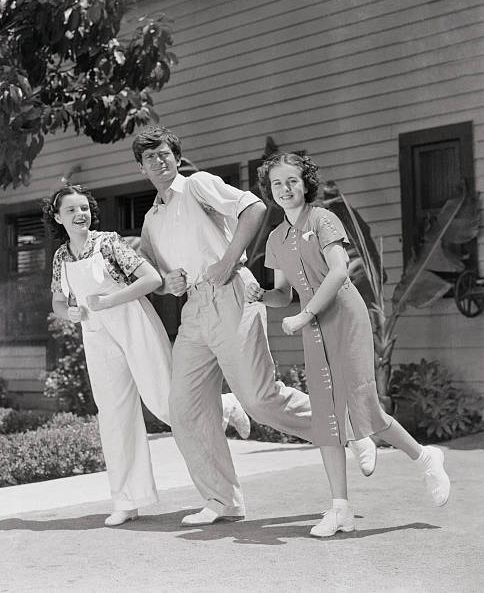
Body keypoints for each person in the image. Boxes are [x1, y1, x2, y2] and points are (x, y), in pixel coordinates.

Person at [132, 126, 376, 527]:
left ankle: (350, 427)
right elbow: (157, 270)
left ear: (175, 156)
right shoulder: (151, 219)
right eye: (149, 159)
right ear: (142, 168)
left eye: (164, 154)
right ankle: (222, 500)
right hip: (194, 308)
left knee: (260, 400)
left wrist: (230, 259)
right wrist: (168, 280)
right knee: (185, 407)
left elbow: (253, 208)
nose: (159, 162)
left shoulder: (198, 186)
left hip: (230, 293)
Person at [246, 152, 451, 538]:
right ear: (269, 190)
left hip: (344, 318)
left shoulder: (323, 219)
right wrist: (261, 295)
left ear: (305, 183)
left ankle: (425, 458)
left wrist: (305, 316)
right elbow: (282, 294)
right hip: (313, 328)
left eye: (292, 181)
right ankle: (339, 509)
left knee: (364, 407)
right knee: (325, 421)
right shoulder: (276, 238)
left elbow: (339, 271)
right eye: (277, 183)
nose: (285, 189)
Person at [44, 184, 250, 527]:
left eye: (84, 208)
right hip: (96, 334)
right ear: (57, 217)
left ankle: (226, 405)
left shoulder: (108, 242)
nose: (80, 214)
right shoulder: (61, 257)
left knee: (164, 401)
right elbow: (56, 301)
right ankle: (127, 499)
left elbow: (151, 278)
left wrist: (108, 301)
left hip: (132, 321)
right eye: (71, 210)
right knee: (113, 414)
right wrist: (70, 314)